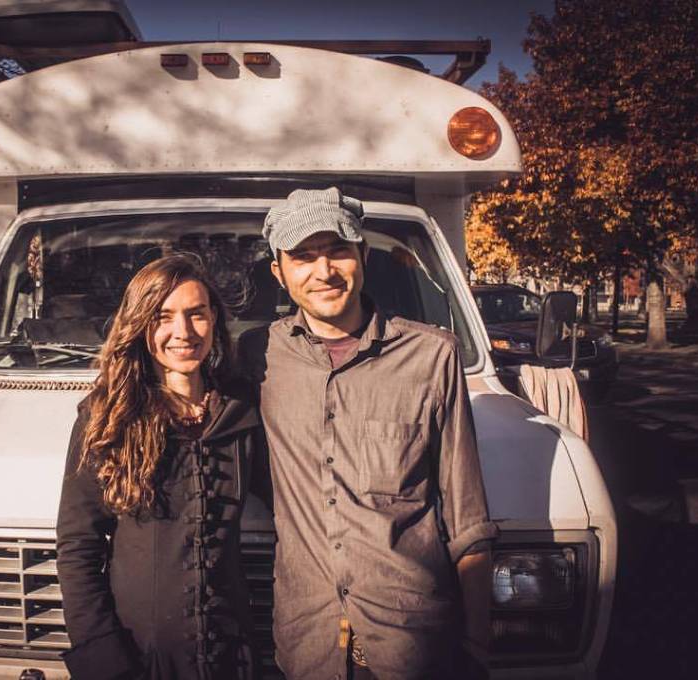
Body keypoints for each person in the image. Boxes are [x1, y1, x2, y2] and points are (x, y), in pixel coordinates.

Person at [240, 188, 497, 680]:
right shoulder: (257, 357)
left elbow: (469, 518)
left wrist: (478, 645)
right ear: (279, 272)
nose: (323, 271)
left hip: (412, 640)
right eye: (302, 257)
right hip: (307, 640)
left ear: (362, 255)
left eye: (337, 250)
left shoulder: (432, 356)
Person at [56, 254, 265, 680]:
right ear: (139, 326)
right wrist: (100, 655)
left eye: (197, 314)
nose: (183, 332)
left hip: (233, 655)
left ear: (215, 321)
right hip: (139, 657)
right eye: (163, 317)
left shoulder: (245, 410)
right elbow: (79, 545)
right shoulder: (108, 417)